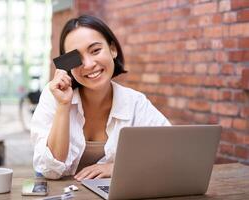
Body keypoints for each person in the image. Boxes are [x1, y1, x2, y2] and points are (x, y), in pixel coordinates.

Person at [31, 15, 171, 180]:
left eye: (95, 50)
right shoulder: (54, 95)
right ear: (67, 65)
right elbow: (50, 170)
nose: (89, 64)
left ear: (113, 49)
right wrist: (63, 105)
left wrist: (117, 168)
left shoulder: (134, 102)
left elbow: (171, 151)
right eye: (76, 58)